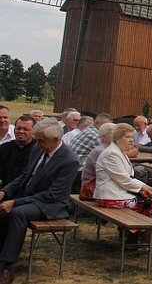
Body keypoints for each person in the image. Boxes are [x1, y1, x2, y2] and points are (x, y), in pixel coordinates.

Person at [0, 118, 78, 284]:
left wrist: (15, 202)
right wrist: (4, 192)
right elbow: (24, 176)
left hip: (51, 204)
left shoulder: (69, 160)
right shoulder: (37, 150)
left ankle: (8, 266)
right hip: (30, 196)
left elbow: (52, 194)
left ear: (56, 140)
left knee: (17, 213)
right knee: (2, 208)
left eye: (42, 141)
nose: (38, 144)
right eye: (37, 140)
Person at [94, 123, 152, 247]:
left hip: (118, 193)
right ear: (118, 139)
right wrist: (144, 187)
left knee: (149, 200)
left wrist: (142, 189)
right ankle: (140, 241)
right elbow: (123, 180)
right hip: (109, 197)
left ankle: (133, 238)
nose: (131, 140)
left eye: (132, 137)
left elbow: (126, 179)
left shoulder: (119, 152)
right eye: (127, 137)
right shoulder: (112, 154)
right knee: (150, 204)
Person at [0, 116, 36, 187]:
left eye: (25, 129)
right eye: (18, 128)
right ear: (14, 130)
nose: (21, 132)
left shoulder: (38, 150)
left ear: (33, 132)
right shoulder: (4, 148)